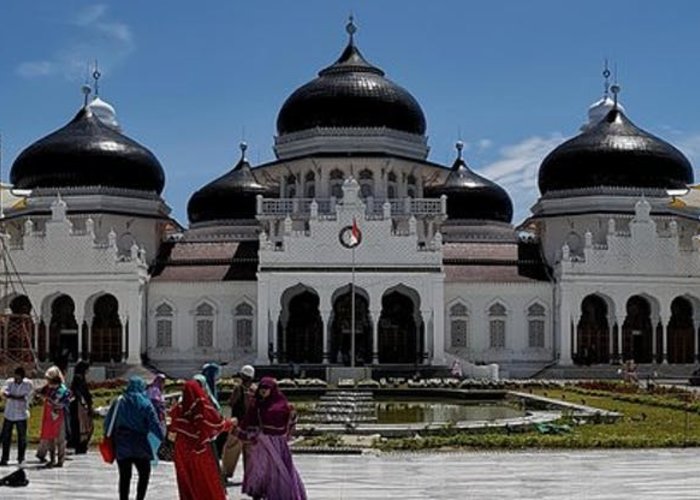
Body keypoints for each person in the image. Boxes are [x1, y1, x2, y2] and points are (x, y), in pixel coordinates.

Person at [237, 377, 306, 500]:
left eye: (267, 388)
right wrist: (247, 434)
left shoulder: (281, 403)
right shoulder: (257, 404)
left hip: (277, 442)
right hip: (261, 441)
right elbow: (249, 420)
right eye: (262, 388)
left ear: (272, 389)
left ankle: (282, 492)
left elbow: (289, 420)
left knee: (278, 467)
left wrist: (291, 419)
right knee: (260, 467)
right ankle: (258, 490)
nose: (264, 391)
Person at [169, 379, 233, 500]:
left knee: (187, 480)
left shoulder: (178, 408)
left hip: (181, 450)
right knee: (204, 480)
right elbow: (215, 424)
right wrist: (230, 424)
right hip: (199, 450)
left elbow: (173, 427)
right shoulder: (202, 406)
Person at [104, 376, 163, 500]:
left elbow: (107, 422)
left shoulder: (119, 401)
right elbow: (154, 424)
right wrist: (162, 438)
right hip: (140, 444)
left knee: (124, 476)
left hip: (122, 444)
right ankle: (140, 498)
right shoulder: (146, 403)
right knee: (144, 473)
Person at [222, 364, 257, 481]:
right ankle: (250, 474)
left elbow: (231, 403)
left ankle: (226, 473)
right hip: (251, 426)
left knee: (231, 449)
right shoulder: (255, 389)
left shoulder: (239, 388)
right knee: (249, 451)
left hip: (238, 425)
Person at [36, 366, 70, 467]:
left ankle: (60, 460)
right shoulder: (48, 389)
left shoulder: (62, 389)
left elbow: (59, 401)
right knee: (50, 438)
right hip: (49, 416)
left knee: (60, 438)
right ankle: (52, 459)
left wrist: (48, 399)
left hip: (58, 416)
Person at [0, 366, 34, 466]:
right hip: (9, 413)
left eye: (18, 377)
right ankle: (4, 458)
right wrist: (12, 396)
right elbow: (4, 393)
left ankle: (21, 458)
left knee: (22, 438)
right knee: (5, 437)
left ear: (22, 377)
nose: (16, 379)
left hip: (21, 414)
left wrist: (12, 396)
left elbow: (25, 397)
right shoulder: (9, 382)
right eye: (15, 376)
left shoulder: (28, 384)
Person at [68, 360, 93, 454]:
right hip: (78, 405)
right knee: (80, 426)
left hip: (79, 404)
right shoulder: (78, 378)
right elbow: (78, 391)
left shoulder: (81, 377)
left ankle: (80, 444)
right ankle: (80, 445)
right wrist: (84, 402)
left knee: (81, 425)